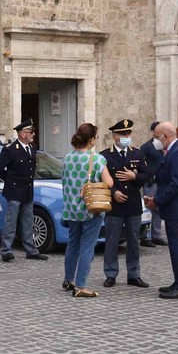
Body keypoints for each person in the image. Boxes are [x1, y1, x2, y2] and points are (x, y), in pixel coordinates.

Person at [60, 123, 113, 298]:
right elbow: (110, 183)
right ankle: (81, 285)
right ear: (91, 140)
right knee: (87, 248)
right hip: (90, 209)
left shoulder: (67, 157)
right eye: (96, 137)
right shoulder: (96, 159)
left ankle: (68, 280)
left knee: (73, 244)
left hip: (71, 209)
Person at [146, 121, 178, 300]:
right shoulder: (173, 151)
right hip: (175, 208)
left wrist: (157, 201)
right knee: (176, 248)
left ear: (165, 136)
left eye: (156, 137)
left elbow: (177, 183)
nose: (155, 141)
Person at [100, 119, 150, 288]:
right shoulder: (105, 156)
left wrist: (134, 177)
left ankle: (134, 274)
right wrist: (114, 193)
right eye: (123, 134)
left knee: (134, 241)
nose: (126, 137)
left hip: (133, 203)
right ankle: (111, 273)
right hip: (114, 205)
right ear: (115, 136)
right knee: (112, 241)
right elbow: (102, 180)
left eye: (128, 134)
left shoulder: (137, 153)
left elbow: (147, 176)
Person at [0, 119, 49, 262]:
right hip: (14, 191)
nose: (33, 135)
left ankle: (31, 250)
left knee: (28, 221)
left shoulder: (32, 148)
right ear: (23, 134)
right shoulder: (10, 150)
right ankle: (6, 250)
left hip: (27, 190)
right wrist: (9, 180)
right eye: (31, 132)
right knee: (11, 221)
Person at [139, 121, 167, 247]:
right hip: (151, 182)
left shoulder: (163, 146)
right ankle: (146, 236)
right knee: (150, 208)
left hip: (161, 181)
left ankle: (157, 235)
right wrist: (147, 175)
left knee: (159, 209)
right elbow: (140, 163)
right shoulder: (146, 147)